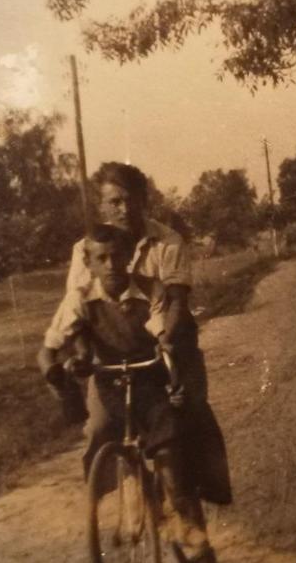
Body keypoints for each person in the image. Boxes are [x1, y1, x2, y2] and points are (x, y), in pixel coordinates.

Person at [39, 224, 224, 563]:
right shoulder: (79, 299)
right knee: (98, 435)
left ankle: (203, 556)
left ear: (130, 257)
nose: (111, 265)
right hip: (108, 386)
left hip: (149, 384)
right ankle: (129, 488)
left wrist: (167, 355)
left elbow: (162, 333)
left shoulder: (149, 290)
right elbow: (50, 346)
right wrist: (57, 368)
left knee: (173, 466)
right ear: (88, 263)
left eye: (117, 256)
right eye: (101, 258)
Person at [65, 162, 232, 507]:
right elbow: (77, 309)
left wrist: (166, 341)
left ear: (144, 200)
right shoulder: (86, 250)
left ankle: (195, 498)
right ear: (102, 206)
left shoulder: (166, 240)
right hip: (114, 359)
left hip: (168, 347)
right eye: (113, 202)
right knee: (98, 427)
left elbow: (176, 301)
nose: (123, 209)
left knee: (190, 416)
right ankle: (122, 484)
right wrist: (79, 353)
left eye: (129, 200)